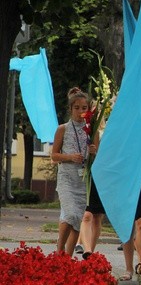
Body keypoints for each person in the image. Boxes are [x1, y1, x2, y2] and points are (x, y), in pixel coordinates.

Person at [51, 88, 97, 256]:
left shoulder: (92, 130)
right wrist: (70, 156)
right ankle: (59, 249)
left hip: (83, 180)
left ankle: (67, 258)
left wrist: (93, 152)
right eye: (76, 108)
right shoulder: (63, 129)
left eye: (84, 108)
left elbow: (97, 156)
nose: (80, 111)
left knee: (77, 219)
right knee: (70, 214)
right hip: (67, 178)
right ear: (70, 109)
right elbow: (54, 155)